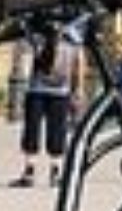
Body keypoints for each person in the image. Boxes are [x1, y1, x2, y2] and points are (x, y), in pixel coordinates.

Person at [12, 15, 81, 188]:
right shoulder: (71, 35)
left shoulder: (36, 35)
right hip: (55, 90)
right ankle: (51, 171)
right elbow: (78, 63)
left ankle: (33, 171)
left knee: (36, 130)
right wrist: (77, 89)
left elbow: (24, 61)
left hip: (40, 89)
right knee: (52, 130)